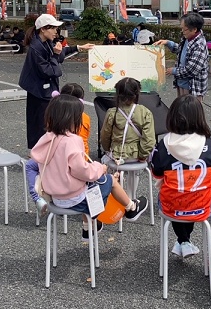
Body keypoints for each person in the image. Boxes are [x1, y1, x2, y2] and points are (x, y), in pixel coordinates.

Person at [29, 95, 149, 233]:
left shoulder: (46, 139)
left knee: (93, 185)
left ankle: (89, 227)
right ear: (72, 119)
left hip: (55, 198)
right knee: (108, 181)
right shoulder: (72, 141)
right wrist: (101, 168)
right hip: (76, 200)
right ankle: (131, 207)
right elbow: (83, 171)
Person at [150, 95, 211, 258]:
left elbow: (157, 177)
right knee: (192, 198)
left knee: (171, 196)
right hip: (201, 206)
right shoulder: (208, 143)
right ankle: (184, 241)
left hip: (172, 207)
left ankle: (183, 241)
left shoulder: (164, 144)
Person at [18, 14, 94, 150]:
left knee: (43, 119)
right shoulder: (36, 48)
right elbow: (51, 71)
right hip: (38, 88)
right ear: (43, 29)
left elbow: (60, 51)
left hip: (43, 87)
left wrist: (78, 47)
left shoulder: (44, 42)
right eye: (53, 28)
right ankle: (39, 150)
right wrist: (55, 55)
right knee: (41, 120)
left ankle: (42, 148)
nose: (56, 32)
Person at [25, 83, 92, 222]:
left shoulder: (55, 119)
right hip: (82, 158)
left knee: (31, 165)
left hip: (62, 163)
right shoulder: (84, 118)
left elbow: (51, 139)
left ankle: (37, 197)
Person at [100, 77, 155, 166]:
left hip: (117, 155)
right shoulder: (145, 112)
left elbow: (105, 136)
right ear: (137, 94)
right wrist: (143, 155)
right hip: (136, 155)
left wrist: (107, 148)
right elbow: (149, 139)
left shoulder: (112, 113)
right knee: (135, 175)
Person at [155, 12, 209, 98]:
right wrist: (168, 43)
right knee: (180, 109)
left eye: (185, 29)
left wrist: (174, 71)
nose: (182, 31)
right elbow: (182, 51)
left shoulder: (199, 45)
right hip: (182, 84)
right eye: (182, 28)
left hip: (192, 88)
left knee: (190, 111)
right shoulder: (188, 38)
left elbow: (191, 70)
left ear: (194, 29)